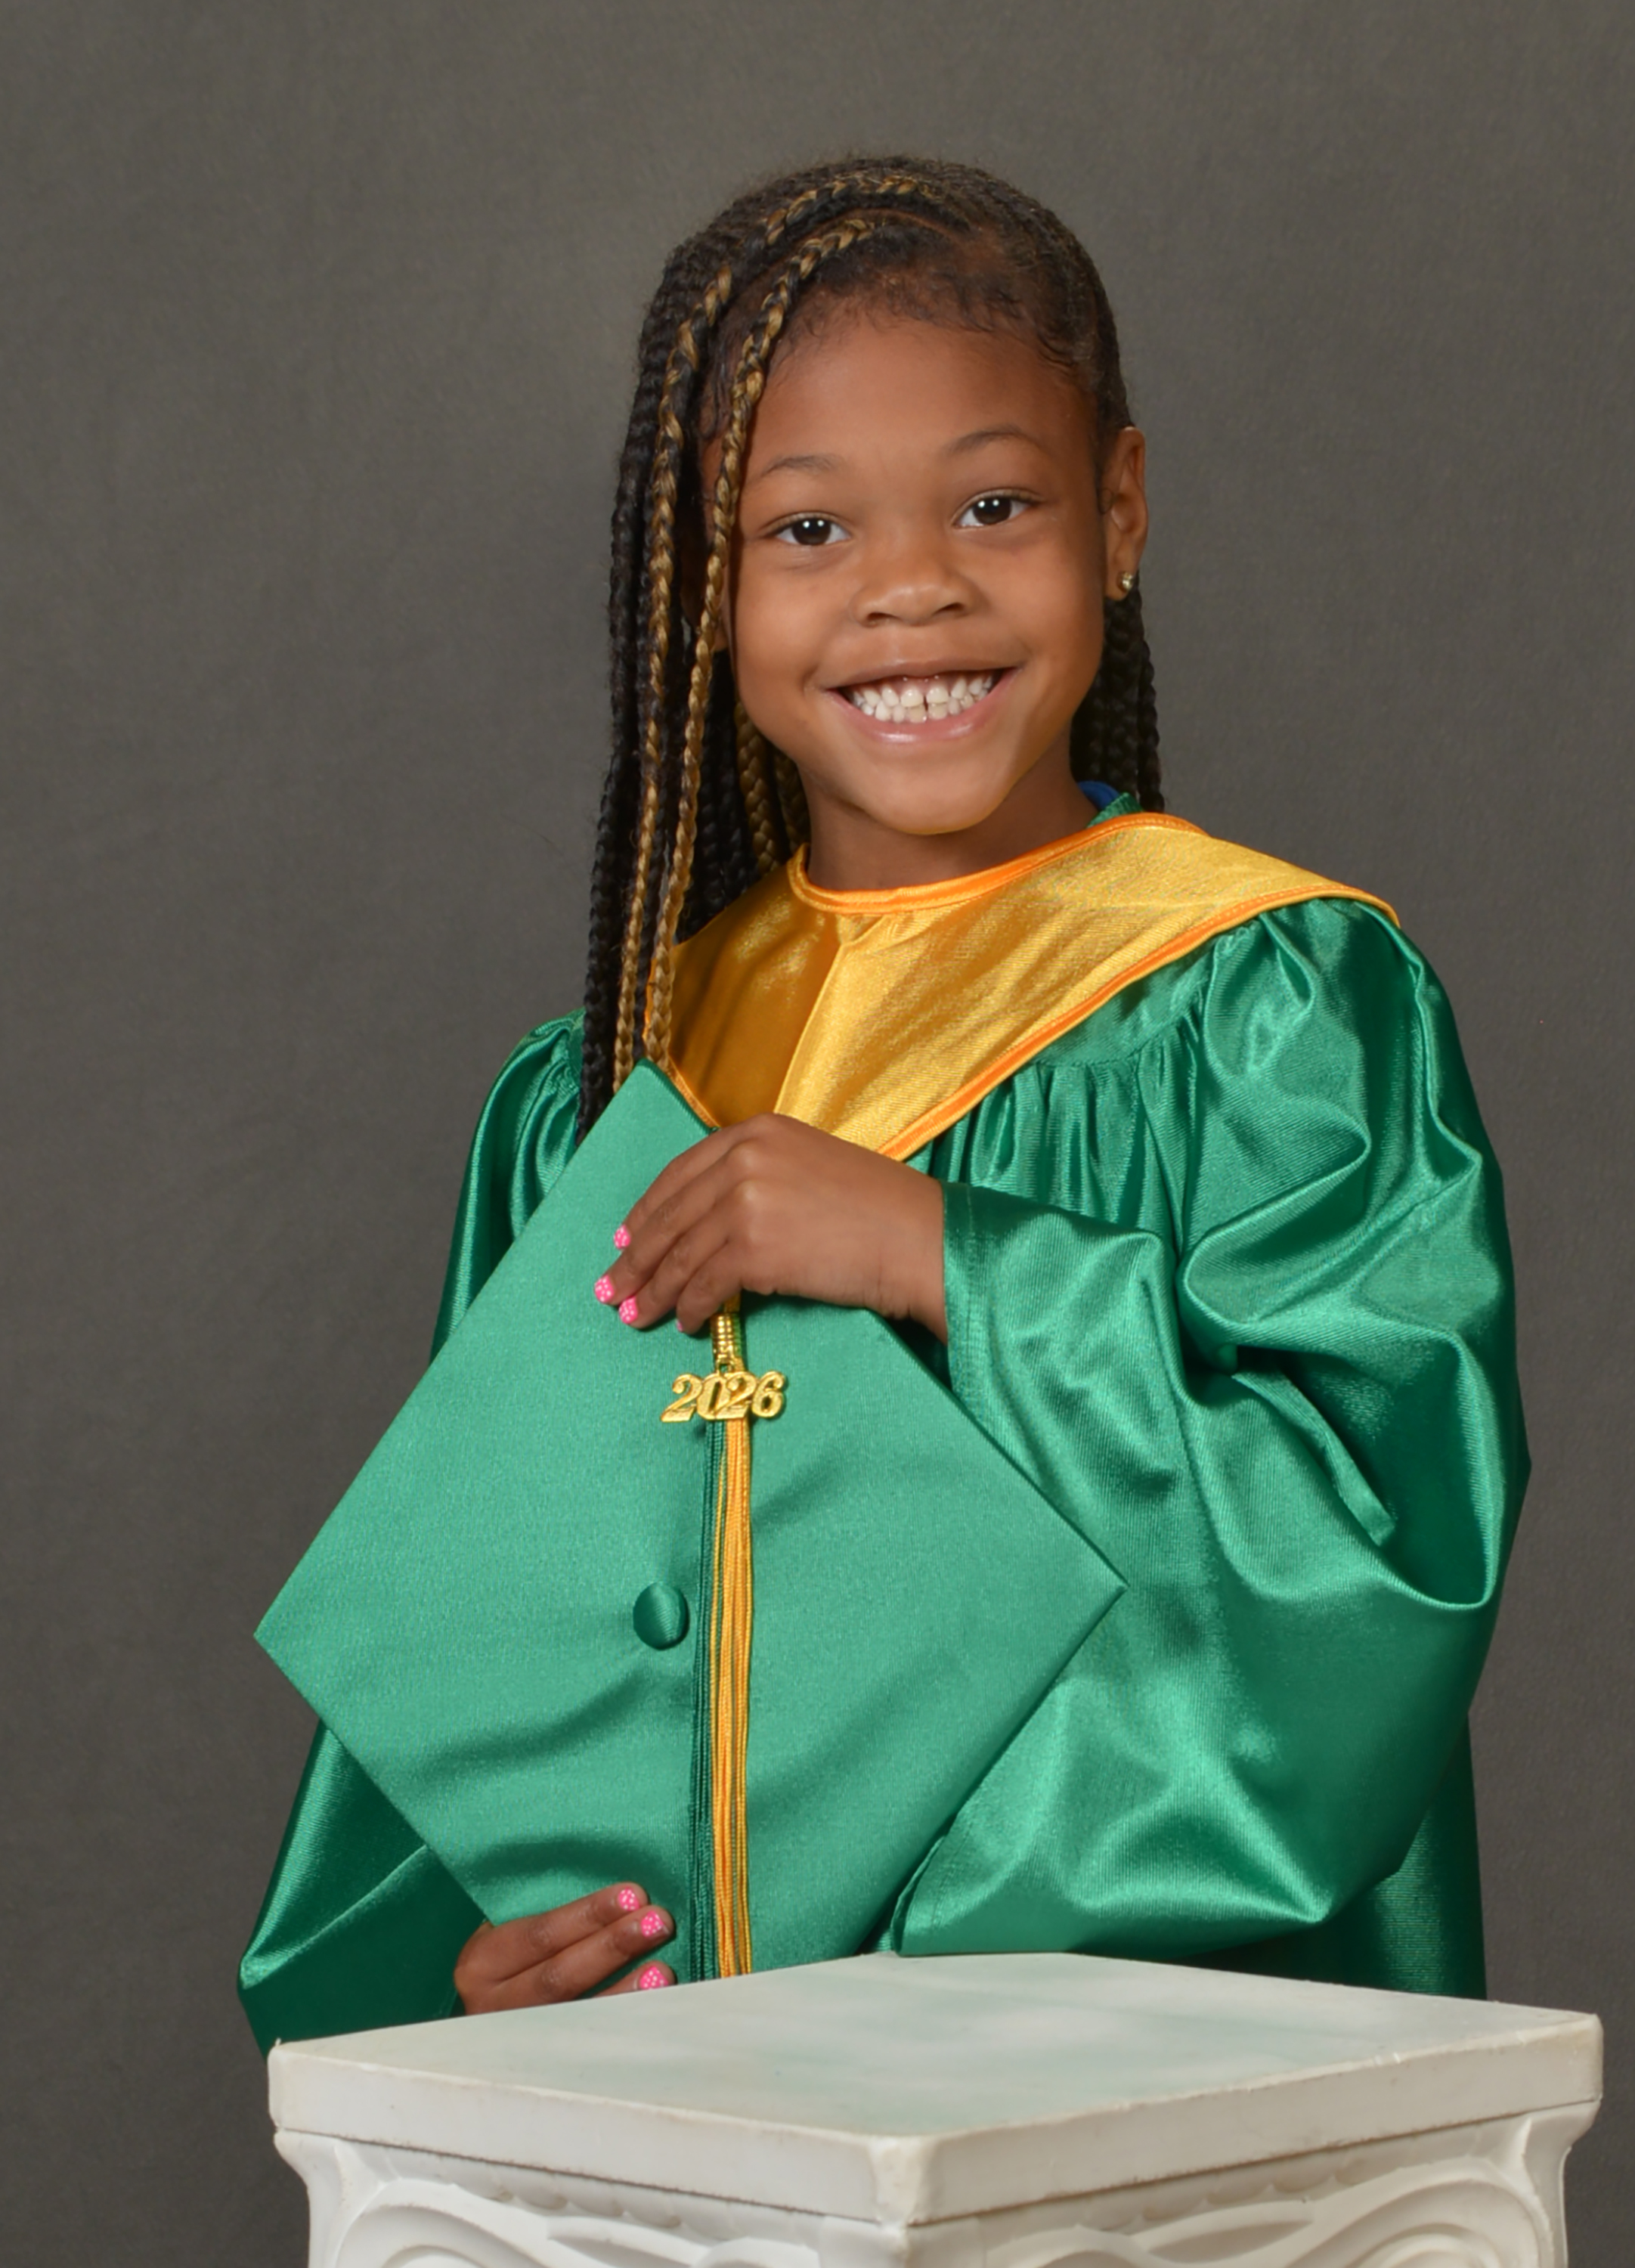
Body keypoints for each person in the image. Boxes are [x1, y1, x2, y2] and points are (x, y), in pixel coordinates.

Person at [240, 156, 1525, 2050]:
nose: (913, 587)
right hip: (702, 2090)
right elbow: (489, 1635)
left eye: (995, 504)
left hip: (1124, 2066)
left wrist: (946, 1257)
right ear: (702, 580)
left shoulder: (1266, 1002)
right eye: (806, 528)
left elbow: (1371, 1557)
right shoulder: (606, 1086)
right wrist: (480, 1953)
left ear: (1121, 513)